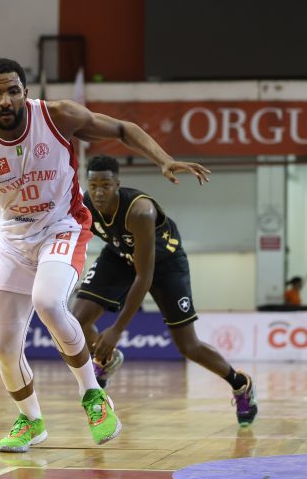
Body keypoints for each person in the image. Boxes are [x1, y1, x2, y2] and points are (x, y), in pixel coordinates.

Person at [0, 58, 210, 453]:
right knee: (4, 345)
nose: (5, 100)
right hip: (13, 241)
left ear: (25, 93)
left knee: (48, 301)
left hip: (63, 226)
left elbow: (122, 129)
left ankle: (94, 396)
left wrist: (162, 158)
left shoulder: (58, 116)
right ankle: (30, 421)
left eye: (13, 91)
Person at [71, 155, 257, 427]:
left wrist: (117, 330)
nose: (99, 192)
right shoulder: (85, 205)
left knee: (188, 346)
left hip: (163, 264)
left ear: (117, 184)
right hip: (119, 255)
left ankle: (240, 384)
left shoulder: (140, 211)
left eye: (106, 185)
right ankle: (107, 360)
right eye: (94, 185)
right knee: (76, 320)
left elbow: (144, 277)